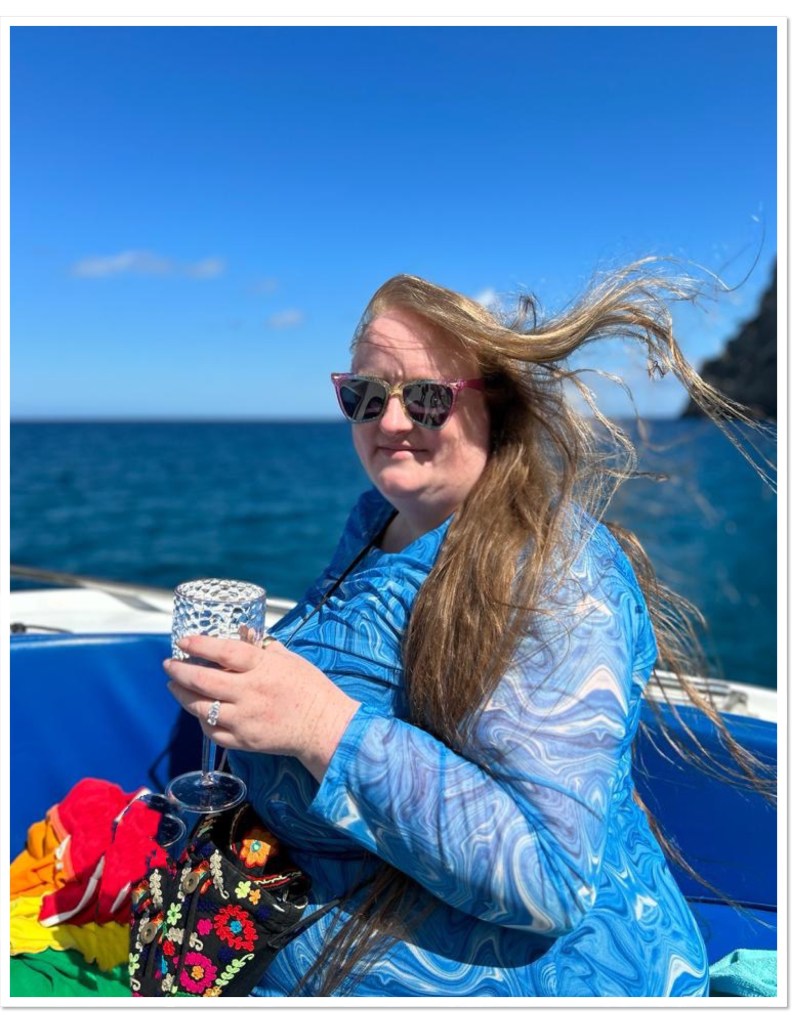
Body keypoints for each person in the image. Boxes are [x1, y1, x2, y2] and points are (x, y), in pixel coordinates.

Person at [163, 262, 770, 997]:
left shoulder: (557, 574)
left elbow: (548, 876)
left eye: (425, 398)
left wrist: (321, 725)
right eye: (363, 394)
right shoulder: (374, 524)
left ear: (494, 406)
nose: (389, 422)